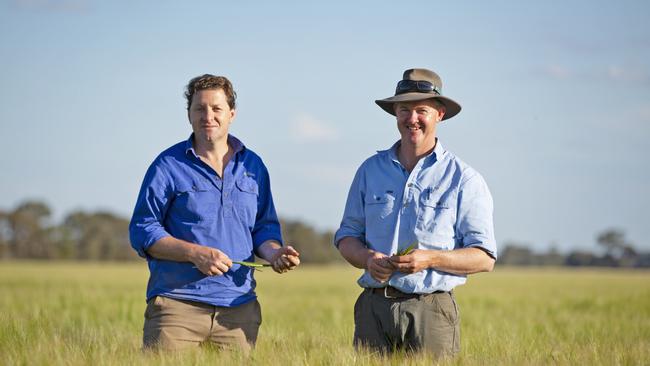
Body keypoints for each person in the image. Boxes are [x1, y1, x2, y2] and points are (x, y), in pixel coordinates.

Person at [129, 74, 300, 353]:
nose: (208, 116)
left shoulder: (254, 166)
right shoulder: (167, 165)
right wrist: (194, 253)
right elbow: (142, 230)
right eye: (200, 108)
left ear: (231, 113)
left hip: (238, 310)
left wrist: (275, 254)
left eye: (216, 108)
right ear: (189, 114)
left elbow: (263, 228)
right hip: (177, 308)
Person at [334, 68, 497, 358]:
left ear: (440, 114)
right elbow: (347, 237)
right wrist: (368, 259)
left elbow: (484, 257)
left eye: (422, 110)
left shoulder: (464, 179)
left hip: (431, 311)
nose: (412, 119)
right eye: (404, 110)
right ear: (395, 114)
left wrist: (431, 258)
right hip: (374, 308)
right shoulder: (370, 171)